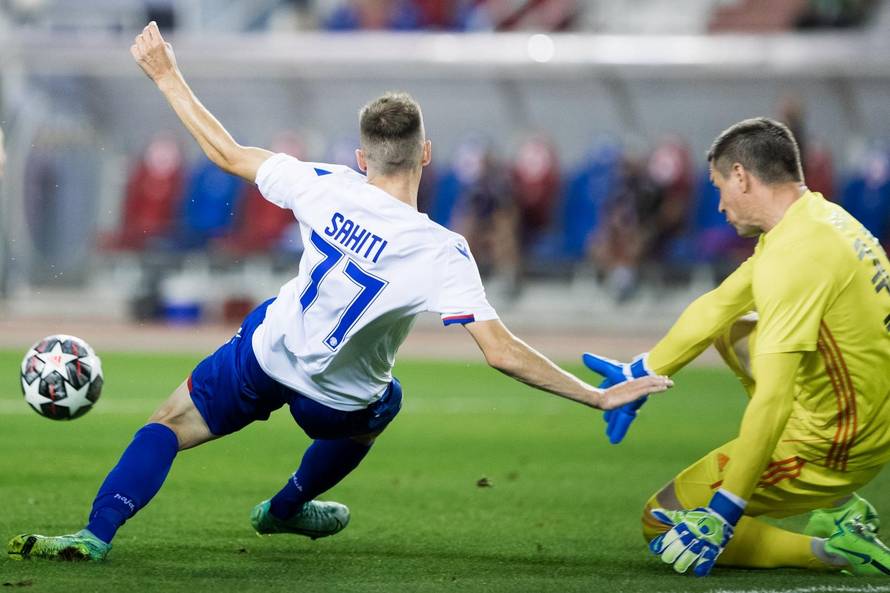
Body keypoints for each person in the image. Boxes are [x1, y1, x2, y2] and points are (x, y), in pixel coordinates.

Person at [6, 22, 670, 562]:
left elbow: (228, 152)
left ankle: (95, 532)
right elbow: (499, 352)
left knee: (167, 423)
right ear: (426, 154)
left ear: (362, 158)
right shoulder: (441, 249)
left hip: (267, 353)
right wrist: (597, 394)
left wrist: (164, 75)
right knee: (388, 401)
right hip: (336, 399)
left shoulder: (322, 182)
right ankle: (286, 507)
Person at [584, 117, 890, 577]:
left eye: (720, 185)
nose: (720, 204)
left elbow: (773, 401)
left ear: (742, 176)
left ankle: (836, 549)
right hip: (866, 412)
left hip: (838, 444)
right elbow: (717, 307)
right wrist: (641, 372)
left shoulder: (794, 259)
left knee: (659, 518)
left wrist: (723, 511)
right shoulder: (820, 219)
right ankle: (839, 504)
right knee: (733, 326)